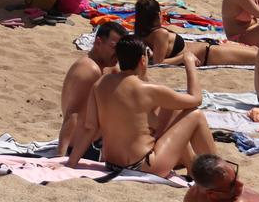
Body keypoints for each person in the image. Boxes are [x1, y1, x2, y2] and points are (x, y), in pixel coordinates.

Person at [65, 37, 216, 179]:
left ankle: (192, 168)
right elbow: (196, 99)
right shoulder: (148, 89)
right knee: (195, 115)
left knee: (173, 111)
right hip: (143, 165)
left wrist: (71, 164)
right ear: (143, 60)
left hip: (112, 164)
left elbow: (89, 128)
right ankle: (216, 173)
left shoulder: (100, 85)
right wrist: (189, 63)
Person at [58, 22, 127, 157]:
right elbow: (73, 114)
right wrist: (60, 157)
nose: (118, 54)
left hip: (97, 144)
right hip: (83, 149)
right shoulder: (89, 70)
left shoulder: (109, 68)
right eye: (114, 48)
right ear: (98, 42)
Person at [135, 0, 257, 68]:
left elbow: (154, 56)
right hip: (209, 54)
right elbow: (158, 62)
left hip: (209, 47)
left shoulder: (141, 34)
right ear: (157, 15)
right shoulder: (160, 33)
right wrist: (183, 58)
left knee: (256, 50)